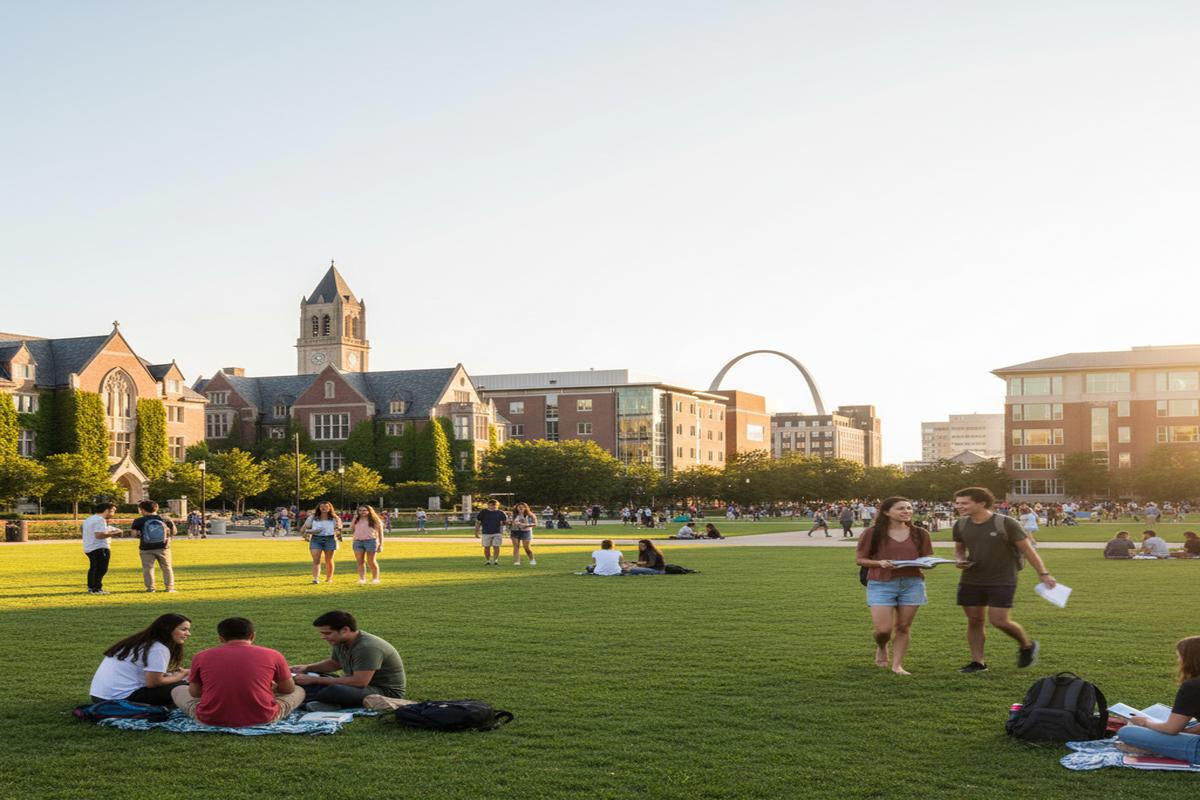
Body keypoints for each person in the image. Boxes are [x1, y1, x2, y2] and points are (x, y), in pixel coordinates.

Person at [952, 486, 1056, 673]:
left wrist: (1044, 573)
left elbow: (1028, 550)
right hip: (971, 578)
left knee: (999, 620)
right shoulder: (960, 525)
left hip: (1002, 578)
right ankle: (978, 662)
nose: (959, 506)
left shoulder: (1005, 523)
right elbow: (959, 549)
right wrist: (960, 560)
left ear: (981, 503)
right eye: (958, 503)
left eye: (964, 503)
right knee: (975, 620)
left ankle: (1026, 645)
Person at [171, 617, 305, 727]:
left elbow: (195, 693)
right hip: (263, 717)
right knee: (299, 690)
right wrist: (272, 689)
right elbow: (288, 689)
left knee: (178, 690)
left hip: (210, 718)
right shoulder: (273, 655)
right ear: (253, 636)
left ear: (221, 638)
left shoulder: (201, 656)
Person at [855, 497, 934, 676]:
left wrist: (930, 563)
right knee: (883, 630)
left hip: (912, 583)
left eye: (908, 508)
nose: (906, 511)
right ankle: (882, 645)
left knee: (903, 626)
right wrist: (880, 563)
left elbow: (927, 557)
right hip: (881, 583)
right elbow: (860, 559)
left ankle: (897, 665)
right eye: (900, 509)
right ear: (886, 512)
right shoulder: (872, 533)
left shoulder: (921, 533)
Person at [291, 610, 407, 709]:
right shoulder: (341, 641)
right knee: (313, 676)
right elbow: (334, 663)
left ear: (345, 630)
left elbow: (359, 682)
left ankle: (310, 700)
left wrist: (314, 680)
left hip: (384, 692)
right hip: (357, 686)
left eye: (327, 633)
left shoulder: (367, 647)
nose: (323, 637)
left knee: (333, 690)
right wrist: (307, 668)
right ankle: (318, 701)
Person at [1116, 636, 1200, 763]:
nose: (1178, 661)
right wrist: (1189, 731)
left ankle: (1159, 749)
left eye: (1179, 657)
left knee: (1126, 732)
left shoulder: (1193, 686)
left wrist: (1146, 722)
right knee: (1190, 723)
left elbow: (1171, 729)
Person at [89, 613, 192, 705]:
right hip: (118, 700)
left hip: (98, 697)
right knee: (188, 684)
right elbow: (153, 683)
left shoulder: (138, 642)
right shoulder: (158, 648)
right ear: (168, 629)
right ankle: (199, 708)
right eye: (183, 629)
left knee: (182, 680)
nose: (188, 634)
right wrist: (181, 675)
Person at [131, 499, 177, 593]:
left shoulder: (139, 520)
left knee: (148, 568)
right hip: (163, 547)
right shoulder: (165, 519)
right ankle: (169, 588)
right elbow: (174, 531)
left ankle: (150, 588)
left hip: (146, 547)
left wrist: (143, 536)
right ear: (156, 508)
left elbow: (134, 534)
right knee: (167, 567)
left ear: (142, 509)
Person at [82, 502, 120, 595]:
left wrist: (110, 529)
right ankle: (96, 588)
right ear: (107, 510)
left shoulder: (89, 519)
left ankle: (91, 587)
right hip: (99, 547)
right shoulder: (100, 520)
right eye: (112, 511)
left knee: (94, 568)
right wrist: (115, 533)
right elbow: (99, 535)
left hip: (89, 546)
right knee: (101, 569)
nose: (113, 514)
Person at [300, 500, 343, 583]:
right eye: (322, 506)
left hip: (330, 539)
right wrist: (310, 532)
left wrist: (338, 534)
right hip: (316, 539)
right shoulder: (312, 517)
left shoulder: (335, 518)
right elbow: (303, 529)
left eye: (326, 506)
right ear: (319, 508)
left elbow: (339, 530)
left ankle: (329, 578)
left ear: (330, 508)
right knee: (316, 559)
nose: (324, 508)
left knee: (329, 559)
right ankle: (315, 578)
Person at [350, 505, 385, 584]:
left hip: (371, 541)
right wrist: (354, 519)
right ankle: (362, 579)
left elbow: (381, 534)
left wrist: (380, 544)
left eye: (365, 510)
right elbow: (352, 529)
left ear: (369, 511)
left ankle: (375, 578)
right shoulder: (356, 519)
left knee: (371, 561)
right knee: (360, 561)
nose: (362, 512)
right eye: (360, 510)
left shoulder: (375, 520)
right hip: (358, 542)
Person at [474, 499, 507, 566]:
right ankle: (488, 561)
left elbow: (505, 522)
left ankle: (495, 560)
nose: (493, 507)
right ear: (488, 505)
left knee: (496, 546)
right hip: (486, 532)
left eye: (495, 505)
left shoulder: (501, 513)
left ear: (497, 505)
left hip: (497, 532)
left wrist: (505, 525)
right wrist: (476, 531)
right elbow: (478, 522)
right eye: (491, 505)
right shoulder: (483, 512)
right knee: (486, 547)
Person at [509, 502, 537, 566]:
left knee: (526, 547)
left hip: (526, 531)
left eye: (522, 507)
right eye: (519, 507)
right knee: (516, 547)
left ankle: (532, 559)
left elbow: (535, 524)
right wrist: (511, 523)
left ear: (525, 508)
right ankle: (517, 561)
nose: (521, 508)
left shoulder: (530, 515)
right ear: (516, 508)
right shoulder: (513, 514)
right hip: (515, 531)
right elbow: (509, 522)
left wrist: (526, 525)